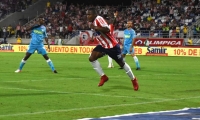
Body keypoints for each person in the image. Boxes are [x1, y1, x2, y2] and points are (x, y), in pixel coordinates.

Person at [86, 8, 139, 91]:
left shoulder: (98, 19)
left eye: (89, 14)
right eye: (87, 14)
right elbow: (97, 32)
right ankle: (103, 77)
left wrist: (96, 27)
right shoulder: (91, 23)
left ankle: (134, 80)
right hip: (103, 46)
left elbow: (107, 29)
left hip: (112, 46)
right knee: (91, 58)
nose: (87, 16)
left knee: (122, 64)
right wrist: (93, 34)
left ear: (94, 14)